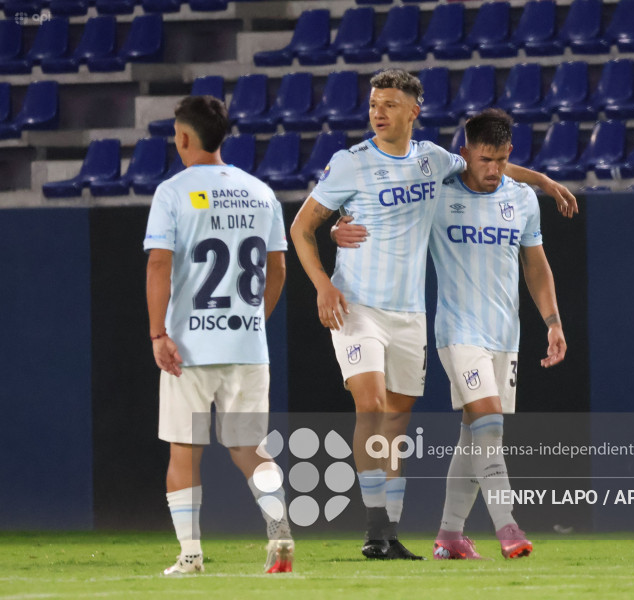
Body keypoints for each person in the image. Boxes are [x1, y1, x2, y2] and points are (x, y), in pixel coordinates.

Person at [290, 69, 576, 560]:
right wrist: (325, 275)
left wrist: (544, 180)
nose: (378, 112)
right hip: (362, 306)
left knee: (404, 422)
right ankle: (392, 528)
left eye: (389, 104)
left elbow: (490, 165)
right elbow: (302, 226)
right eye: (374, 104)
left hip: (413, 315)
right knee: (373, 406)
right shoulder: (354, 163)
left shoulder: (434, 163)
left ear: (413, 111)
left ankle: (417, 533)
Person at [144, 95, 293, 575]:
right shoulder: (261, 192)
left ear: (185, 137)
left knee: (184, 451)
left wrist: (158, 334)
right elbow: (277, 270)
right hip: (247, 345)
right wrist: (254, 321)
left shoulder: (172, 192)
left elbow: (159, 263)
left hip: (188, 346)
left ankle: (190, 555)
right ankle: (280, 533)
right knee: (251, 449)